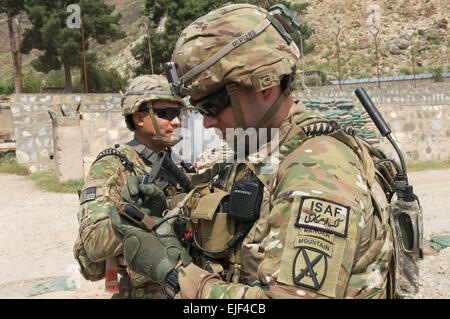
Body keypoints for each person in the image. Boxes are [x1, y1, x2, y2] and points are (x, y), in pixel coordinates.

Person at [110, 3, 397, 299]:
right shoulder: (263, 151)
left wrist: (172, 276)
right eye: (198, 108)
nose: (206, 121)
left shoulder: (317, 171)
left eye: (212, 104)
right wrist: (170, 213)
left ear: (265, 85)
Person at [73, 74, 191, 299]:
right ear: (138, 118)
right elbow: (93, 242)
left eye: (179, 113)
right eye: (165, 114)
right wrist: (146, 216)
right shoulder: (113, 164)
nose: (176, 121)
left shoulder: (174, 162)